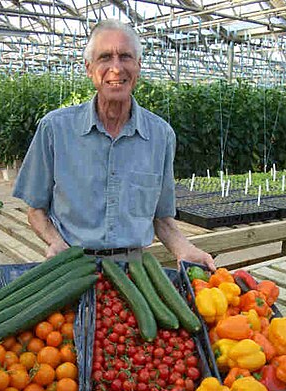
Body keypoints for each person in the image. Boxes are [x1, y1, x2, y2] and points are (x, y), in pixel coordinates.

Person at [13, 19, 215, 271]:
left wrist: (186, 249)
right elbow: (36, 210)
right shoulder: (55, 129)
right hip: (71, 267)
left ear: (138, 66)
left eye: (126, 56)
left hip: (134, 273)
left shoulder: (160, 136)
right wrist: (55, 243)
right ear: (89, 68)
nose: (116, 68)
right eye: (105, 57)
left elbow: (162, 219)